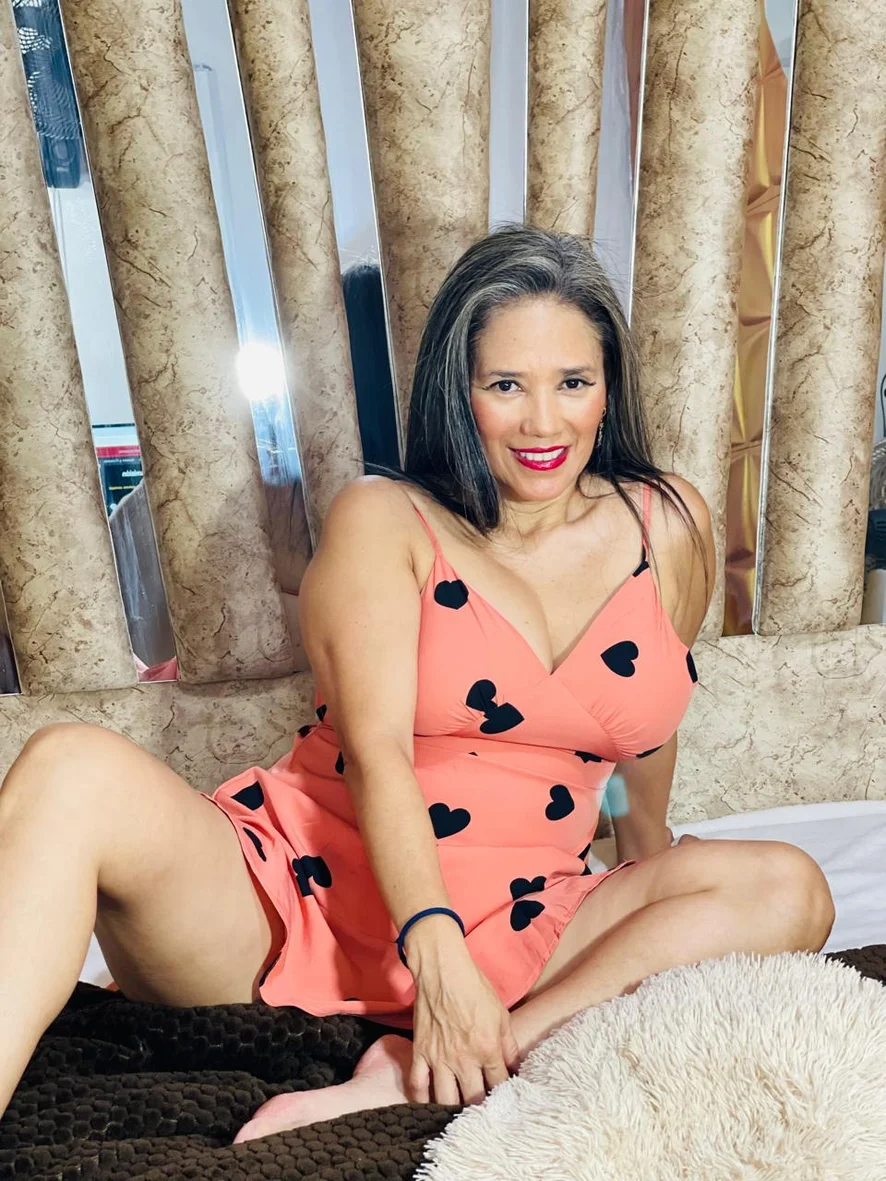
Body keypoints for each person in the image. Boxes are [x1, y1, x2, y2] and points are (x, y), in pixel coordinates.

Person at [0, 226, 835, 1137]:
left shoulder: (667, 524)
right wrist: (436, 954)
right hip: (300, 903)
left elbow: (646, 728)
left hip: (530, 923)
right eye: (505, 385)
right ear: (458, 389)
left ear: (609, 388)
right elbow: (379, 755)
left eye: (573, 382)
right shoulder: (386, 519)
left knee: (788, 886)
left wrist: (650, 859)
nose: (544, 423)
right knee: (68, 766)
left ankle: (444, 1068)